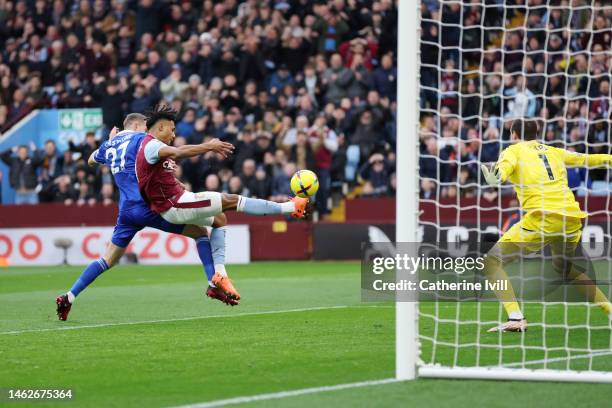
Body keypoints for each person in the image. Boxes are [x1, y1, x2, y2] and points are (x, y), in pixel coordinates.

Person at [55, 113, 237, 321]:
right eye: (146, 126)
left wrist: (110, 141)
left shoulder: (110, 145)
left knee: (107, 260)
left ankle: (69, 296)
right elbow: (165, 158)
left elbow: (90, 161)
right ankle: (213, 285)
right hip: (149, 205)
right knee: (201, 231)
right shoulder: (142, 139)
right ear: (137, 125)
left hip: (126, 211)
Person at [481, 119, 612, 332]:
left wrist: (497, 178)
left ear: (514, 134)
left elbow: (502, 170)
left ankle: (515, 317)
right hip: (571, 219)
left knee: (491, 261)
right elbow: (588, 159)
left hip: (542, 219)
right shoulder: (554, 151)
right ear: (536, 133)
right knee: (565, 269)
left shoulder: (512, 150)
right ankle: (610, 310)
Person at [134, 106, 309, 239]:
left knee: (219, 219)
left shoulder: (148, 147)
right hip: (174, 204)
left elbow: (151, 175)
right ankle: (292, 207)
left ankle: (219, 277)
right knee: (232, 200)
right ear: (161, 127)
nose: (173, 135)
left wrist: (172, 182)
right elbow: (179, 151)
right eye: (172, 130)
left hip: (173, 202)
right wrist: (209, 145)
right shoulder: (152, 145)